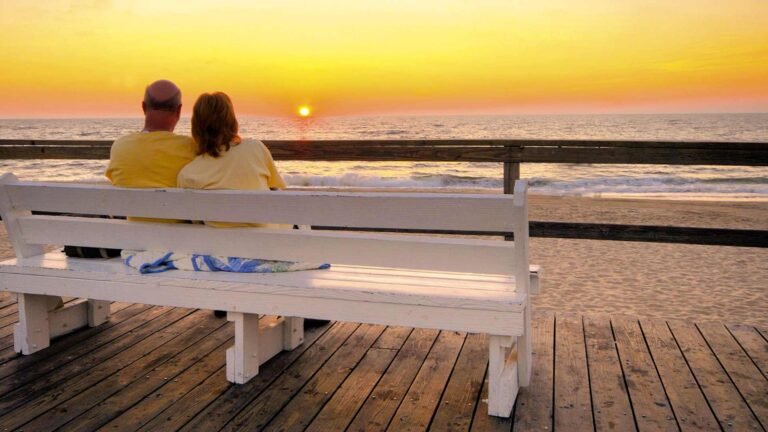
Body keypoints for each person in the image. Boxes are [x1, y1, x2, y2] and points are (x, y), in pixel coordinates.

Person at [177, 92, 286, 228]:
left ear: (196, 126)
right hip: (273, 241)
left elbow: (195, 221)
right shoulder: (255, 148)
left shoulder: (187, 175)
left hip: (222, 246)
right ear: (232, 120)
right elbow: (278, 188)